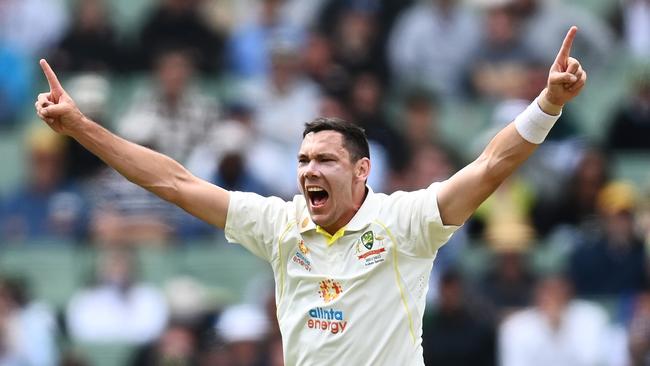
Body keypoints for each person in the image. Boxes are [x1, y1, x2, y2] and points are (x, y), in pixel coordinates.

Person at [35, 27, 587, 365]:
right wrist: (83, 127)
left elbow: (491, 166)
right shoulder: (279, 225)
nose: (308, 172)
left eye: (324, 160)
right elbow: (175, 183)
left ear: (362, 170)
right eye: (302, 161)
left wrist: (548, 104)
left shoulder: (405, 220)